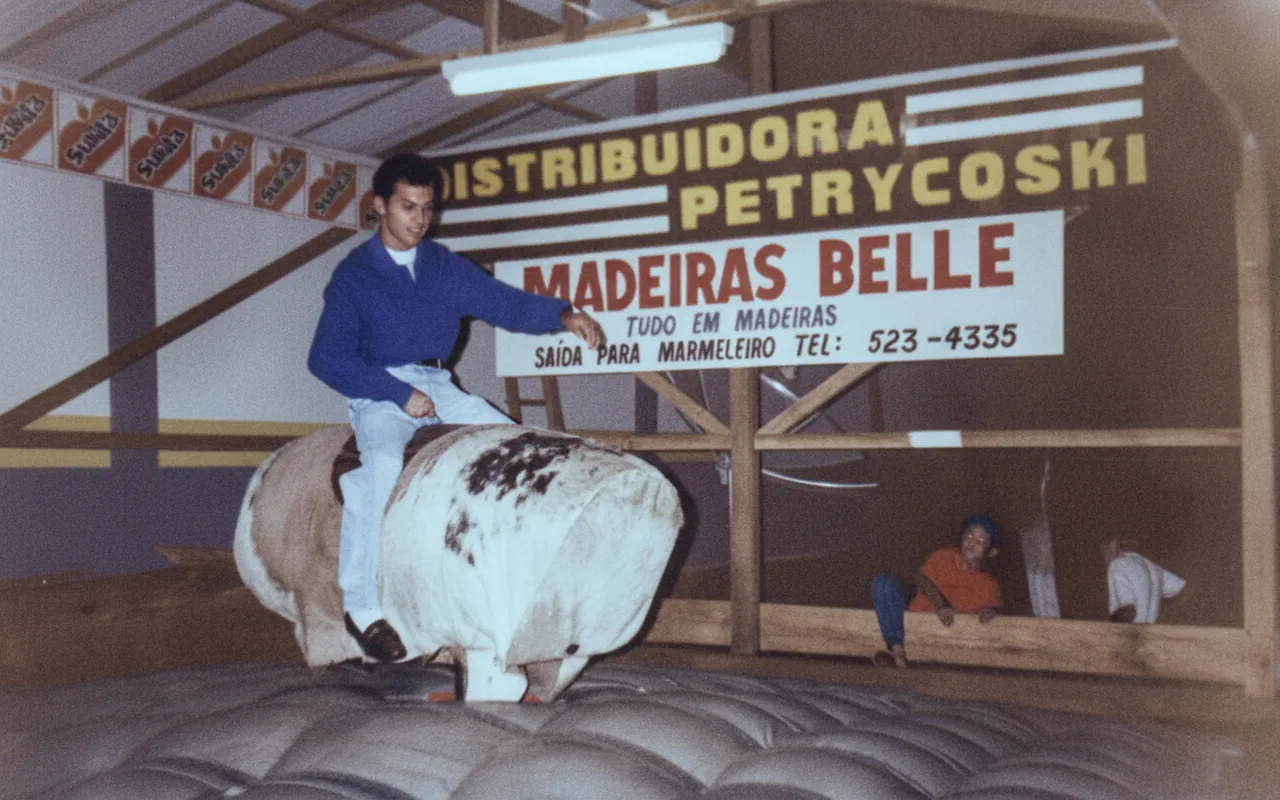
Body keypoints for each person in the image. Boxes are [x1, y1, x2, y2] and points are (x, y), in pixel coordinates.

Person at [307, 153, 605, 662]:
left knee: (515, 444)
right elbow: (325, 358)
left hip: (438, 381)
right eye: (407, 207)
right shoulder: (354, 277)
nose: (419, 220)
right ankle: (362, 608)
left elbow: (503, 302)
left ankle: (513, 579)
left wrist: (562, 313)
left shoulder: (443, 266)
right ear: (379, 206)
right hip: (381, 387)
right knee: (378, 466)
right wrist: (397, 394)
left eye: (426, 208)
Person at [870, 515, 1003, 668]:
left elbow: (997, 613)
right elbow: (920, 578)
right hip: (912, 631)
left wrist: (992, 612)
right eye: (969, 535)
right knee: (884, 583)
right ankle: (898, 654)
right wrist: (941, 605)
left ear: (992, 552)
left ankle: (915, 664)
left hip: (948, 648)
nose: (972, 543)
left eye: (981, 540)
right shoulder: (944, 556)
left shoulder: (988, 585)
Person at [1101, 537, 1186, 623]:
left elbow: (1128, 609)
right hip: (1149, 632)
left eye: (1106, 546)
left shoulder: (1117, 565)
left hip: (1128, 632)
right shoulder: (1152, 567)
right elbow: (1181, 589)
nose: (1104, 552)